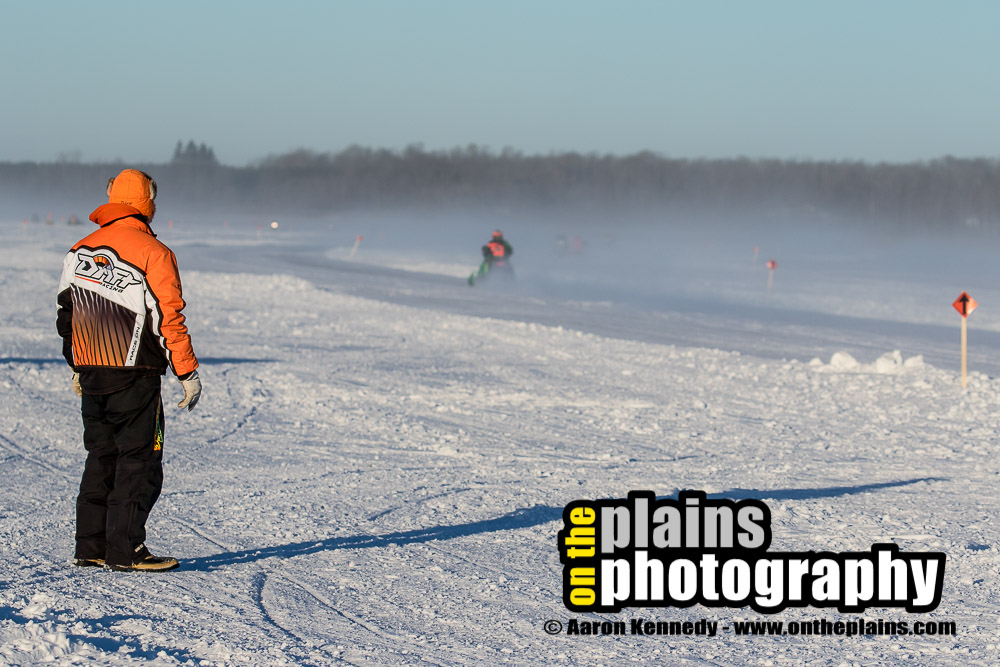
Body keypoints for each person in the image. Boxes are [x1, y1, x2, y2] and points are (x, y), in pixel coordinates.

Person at [56, 169, 202, 572]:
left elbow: (67, 314)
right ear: (147, 202)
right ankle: (126, 550)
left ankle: (91, 547)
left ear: (111, 199)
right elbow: (168, 318)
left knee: (100, 457)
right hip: (135, 376)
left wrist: (78, 364)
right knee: (138, 462)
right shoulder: (153, 252)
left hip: (93, 374)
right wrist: (187, 373)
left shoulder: (78, 251)